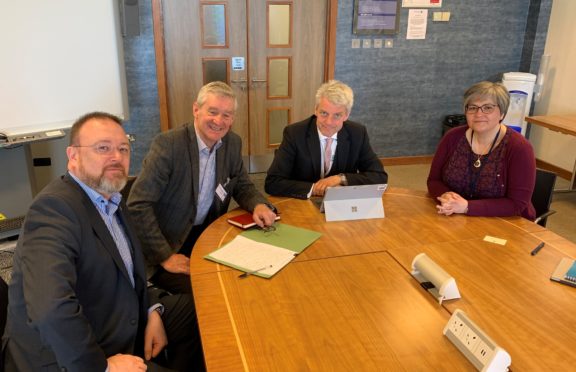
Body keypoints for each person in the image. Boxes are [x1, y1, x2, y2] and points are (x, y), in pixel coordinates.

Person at [2, 112, 199, 372]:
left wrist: (153, 309)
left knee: (197, 309)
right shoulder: (53, 210)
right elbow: (50, 309)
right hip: (72, 355)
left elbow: (127, 273)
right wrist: (102, 367)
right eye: (103, 148)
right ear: (73, 157)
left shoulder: (112, 198)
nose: (116, 157)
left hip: (114, 316)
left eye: (123, 149)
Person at [127, 81, 277, 294]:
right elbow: (137, 205)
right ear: (196, 110)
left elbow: (241, 184)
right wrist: (165, 256)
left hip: (207, 236)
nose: (219, 121)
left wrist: (259, 205)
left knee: (250, 278)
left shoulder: (232, 143)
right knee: (210, 293)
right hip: (168, 244)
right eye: (213, 112)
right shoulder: (169, 145)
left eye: (226, 115)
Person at [427, 81, 536, 219]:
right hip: (456, 216)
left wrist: (467, 206)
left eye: (488, 108)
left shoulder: (520, 148)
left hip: (507, 222)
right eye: (472, 107)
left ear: (502, 113)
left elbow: (517, 204)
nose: (478, 114)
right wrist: (445, 195)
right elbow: (434, 180)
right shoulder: (452, 137)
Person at [264, 80, 388, 199]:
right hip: (303, 203)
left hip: (341, 203)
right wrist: (315, 188)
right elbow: (273, 182)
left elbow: (379, 176)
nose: (329, 122)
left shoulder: (357, 133)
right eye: (324, 113)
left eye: (337, 115)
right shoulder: (294, 133)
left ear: (346, 115)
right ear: (315, 110)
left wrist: (340, 178)